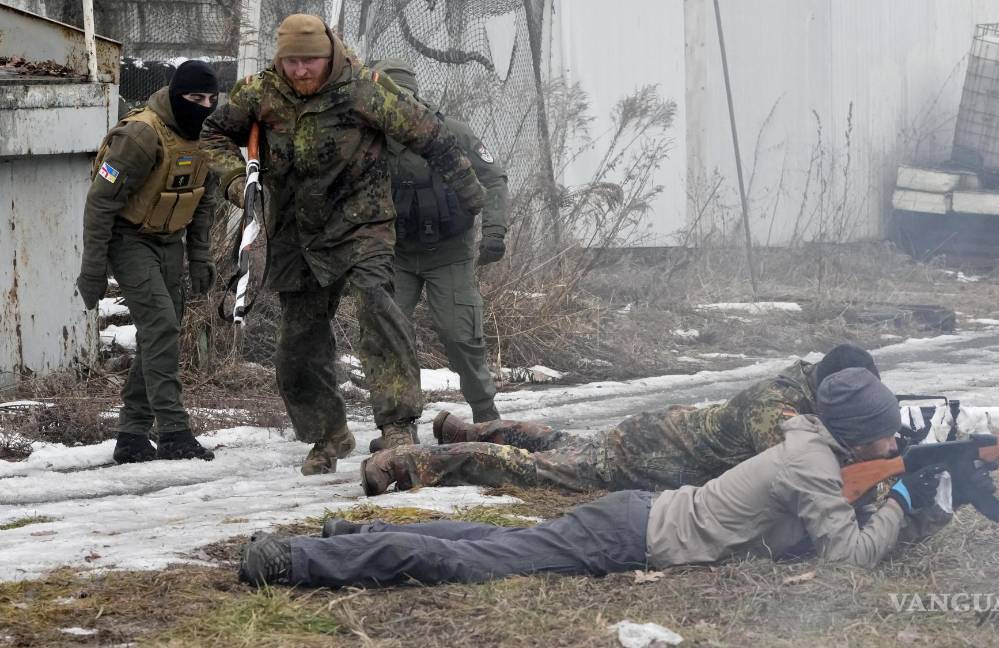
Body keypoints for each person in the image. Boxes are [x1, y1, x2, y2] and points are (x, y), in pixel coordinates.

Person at [237, 368, 952, 587]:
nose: (893, 440)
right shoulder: (810, 462)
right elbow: (851, 554)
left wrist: (902, 484)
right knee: (467, 559)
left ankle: (351, 533)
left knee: (485, 540)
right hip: (630, 537)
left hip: (637, 517)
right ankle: (293, 560)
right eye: (887, 431)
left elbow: (828, 517)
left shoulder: (817, 446)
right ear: (858, 433)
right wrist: (906, 497)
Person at [199, 15, 486, 475]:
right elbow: (213, 134)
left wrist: (471, 194)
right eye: (291, 61)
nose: (300, 71)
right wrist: (237, 180)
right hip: (294, 231)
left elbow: (431, 136)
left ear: (329, 54)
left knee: (377, 305)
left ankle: (397, 424)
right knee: (297, 342)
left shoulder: (366, 89)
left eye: (309, 60)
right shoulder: (260, 92)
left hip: (361, 224)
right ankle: (327, 434)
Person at [359, 343, 879, 493]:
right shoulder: (779, 409)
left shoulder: (797, 385)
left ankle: (458, 428)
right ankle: (406, 461)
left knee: (556, 440)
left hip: (656, 434)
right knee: (529, 467)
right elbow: (799, 475)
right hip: (648, 455)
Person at [76, 60, 220, 464]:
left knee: (161, 334)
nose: (205, 106)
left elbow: (203, 199)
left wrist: (200, 256)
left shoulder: (205, 136)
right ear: (177, 95)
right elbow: (100, 203)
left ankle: (132, 434)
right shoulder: (141, 135)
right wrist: (93, 271)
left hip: (169, 241)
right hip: (129, 239)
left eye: (212, 99)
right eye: (195, 98)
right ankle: (173, 431)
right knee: (161, 326)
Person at [372, 58, 508, 444]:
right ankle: (398, 427)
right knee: (389, 337)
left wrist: (495, 232)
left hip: (450, 251)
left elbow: (494, 180)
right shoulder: (371, 141)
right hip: (395, 253)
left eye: (404, 95)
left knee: (460, 334)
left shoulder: (452, 133)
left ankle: (485, 415)